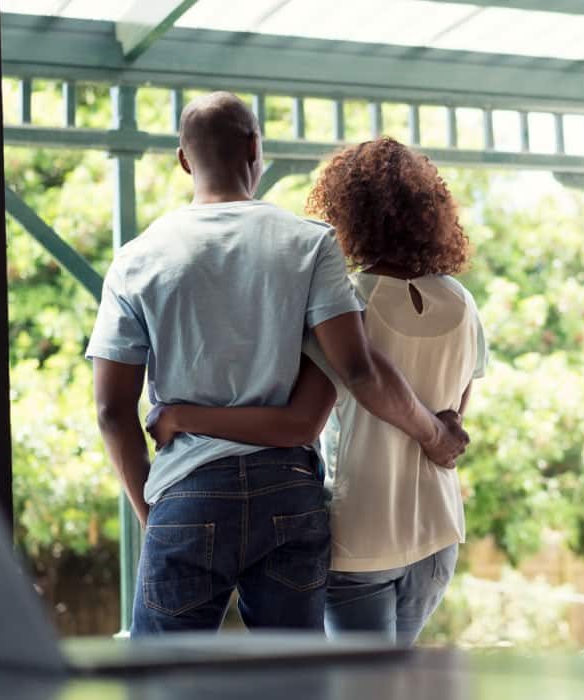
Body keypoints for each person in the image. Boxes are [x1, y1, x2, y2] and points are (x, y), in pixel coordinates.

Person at [86, 95, 469, 637]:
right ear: (254, 148)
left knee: (162, 679)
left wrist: (160, 517)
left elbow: (110, 410)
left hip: (188, 490)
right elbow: (358, 372)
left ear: (183, 160)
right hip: (289, 495)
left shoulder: (135, 259)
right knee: (292, 681)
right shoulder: (310, 243)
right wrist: (433, 433)